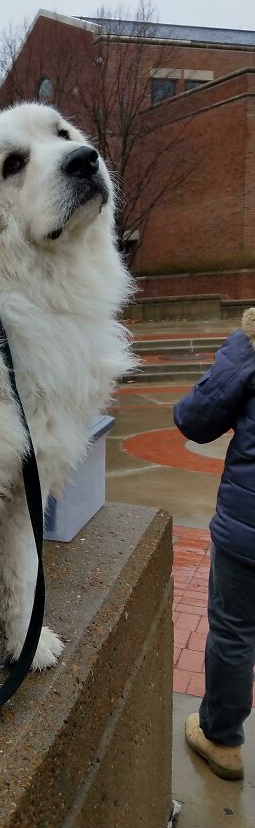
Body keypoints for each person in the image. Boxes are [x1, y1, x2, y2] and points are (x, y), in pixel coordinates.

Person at [174, 308, 255, 780]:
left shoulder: (249, 343)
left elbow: (193, 419)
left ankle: (221, 739)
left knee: (233, 632)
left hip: (248, 531)